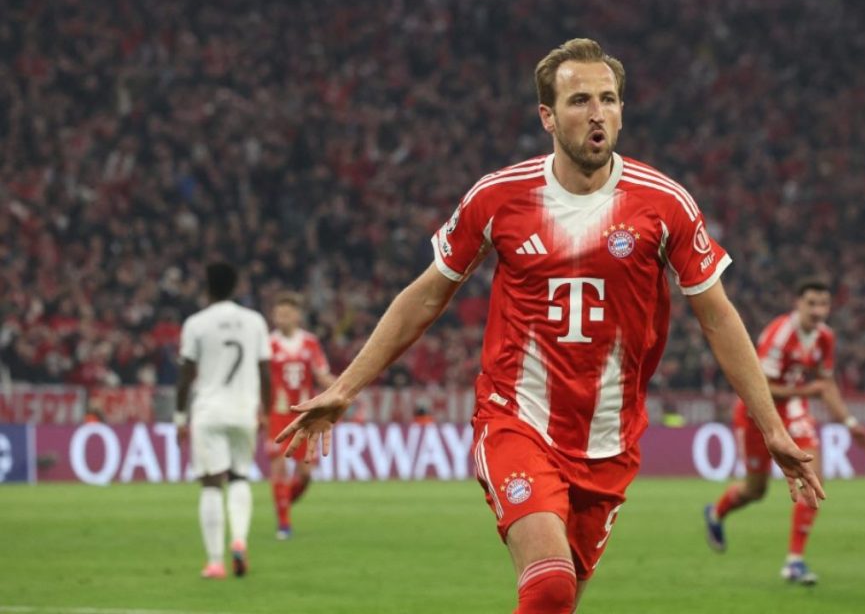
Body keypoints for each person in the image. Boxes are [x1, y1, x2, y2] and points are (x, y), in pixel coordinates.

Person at [277, 38, 824, 613]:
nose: (597, 113)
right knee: (550, 583)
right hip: (518, 422)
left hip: (609, 443)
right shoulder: (499, 197)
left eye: (609, 99)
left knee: (556, 604)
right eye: (580, 100)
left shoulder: (665, 204)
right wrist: (344, 388)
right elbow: (425, 296)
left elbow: (717, 317)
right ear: (547, 116)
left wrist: (772, 428)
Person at [704, 277, 865, 585]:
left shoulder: (825, 337)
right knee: (756, 490)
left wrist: (849, 423)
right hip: (757, 413)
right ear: (798, 304)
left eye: (824, 304)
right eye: (812, 303)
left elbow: (827, 384)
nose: (818, 310)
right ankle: (716, 512)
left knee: (813, 477)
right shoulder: (780, 335)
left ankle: (794, 561)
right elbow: (760, 387)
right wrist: (809, 390)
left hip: (794, 413)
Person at [175, 262, 272, 579]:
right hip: (244, 411)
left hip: (209, 411)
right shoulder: (254, 321)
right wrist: (267, 412)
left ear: (207, 287)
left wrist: (179, 418)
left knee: (211, 484)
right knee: (240, 476)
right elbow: (265, 372)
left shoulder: (196, 323)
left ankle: (215, 561)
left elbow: (186, 375)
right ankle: (240, 542)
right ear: (235, 286)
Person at [265, 291, 334, 539]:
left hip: (306, 415)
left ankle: (283, 502)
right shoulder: (267, 344)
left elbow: (321, 374)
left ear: (297, 316)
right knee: (279, 467)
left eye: (287, 313)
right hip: (278, 414)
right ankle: (284, 523)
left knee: (305, 475)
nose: (281, 318)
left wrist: (343, 388)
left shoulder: (310, 342)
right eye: (278, 313)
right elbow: (259, 381)